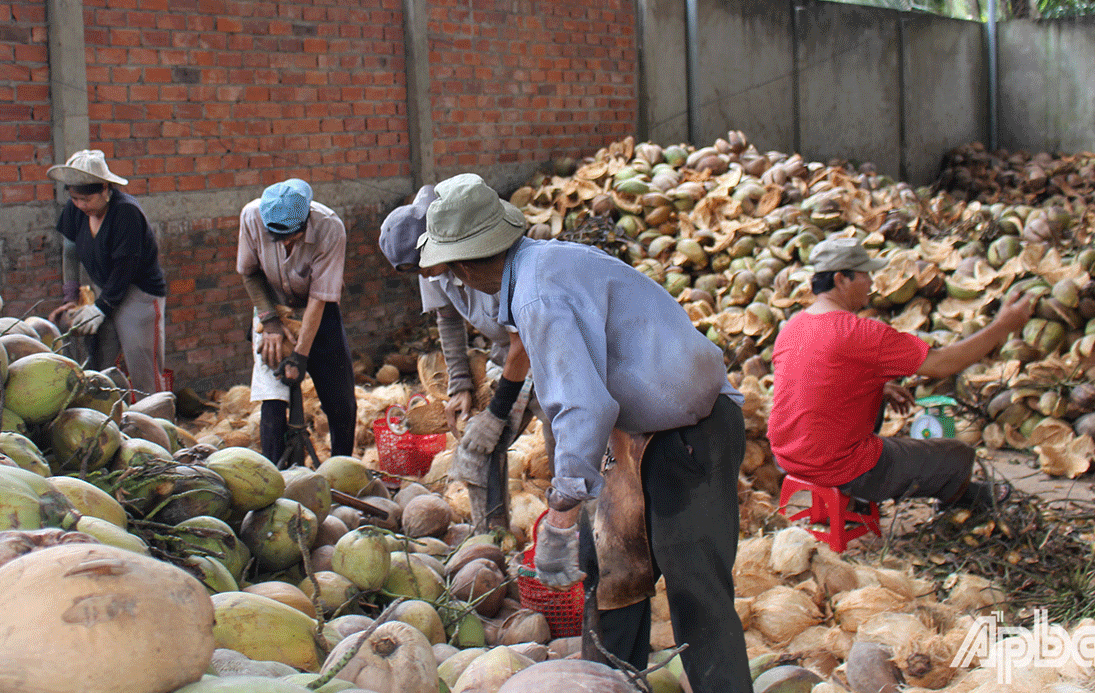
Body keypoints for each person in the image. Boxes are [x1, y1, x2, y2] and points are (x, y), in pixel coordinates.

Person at [419, 177, 750, 693]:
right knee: (614, 577)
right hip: (639, 435)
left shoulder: (537, 295)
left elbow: (583, 406)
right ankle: (611, 684)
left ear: (463, 267)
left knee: (697, 595)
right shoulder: (541, 265)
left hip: (690, 434)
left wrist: (561, 511)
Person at [768, 236, 1035, 511]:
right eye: (865, 274)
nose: (871, 283)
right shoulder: (861, 332)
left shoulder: (792, 327)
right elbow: (942, 364)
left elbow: (810, 381)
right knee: (959, 455)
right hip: (839, 467)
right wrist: (1003, 326)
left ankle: (852, 503)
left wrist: (879, 387)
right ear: (841, 279)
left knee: (876, 395)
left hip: (787, 458)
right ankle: (956, 499)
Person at [377, 178, 541, 530]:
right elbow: (448, 320)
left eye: (423, 265)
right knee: (480, 446)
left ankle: (571, 526)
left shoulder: (483, 259)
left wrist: (496, 413)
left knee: (561, 437)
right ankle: (491, 532)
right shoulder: (430, 270)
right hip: (507, 350)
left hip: (540, 347)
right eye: (415, 272)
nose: (423, 275)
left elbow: (524, 342)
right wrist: (460, 385)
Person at [237, 178, 356, 465]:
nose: (286, 243)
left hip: (317, 309)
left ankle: (341, 469)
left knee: (340, 401)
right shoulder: (251, 217)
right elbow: (250, 273)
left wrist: (300, 356)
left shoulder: (330, 227)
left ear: (306, 220)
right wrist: (270, 324)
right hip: (272, 308)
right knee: (273, 398)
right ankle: (275, 473)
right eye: (277, 237)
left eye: (292, 236)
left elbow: (320, 297)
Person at [46, 149, 167, 395]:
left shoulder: (126, 212)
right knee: (101, 363)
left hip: (138, 292)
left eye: (87, 199)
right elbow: (70, 252)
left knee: (141, 366)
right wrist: (71, 297)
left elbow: (125, 268)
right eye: (75, 199)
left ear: (104, 189)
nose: (81, 205)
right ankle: (111, 415)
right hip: (105, 287)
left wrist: (101, 308)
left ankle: (154, 414)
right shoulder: (75, 210)